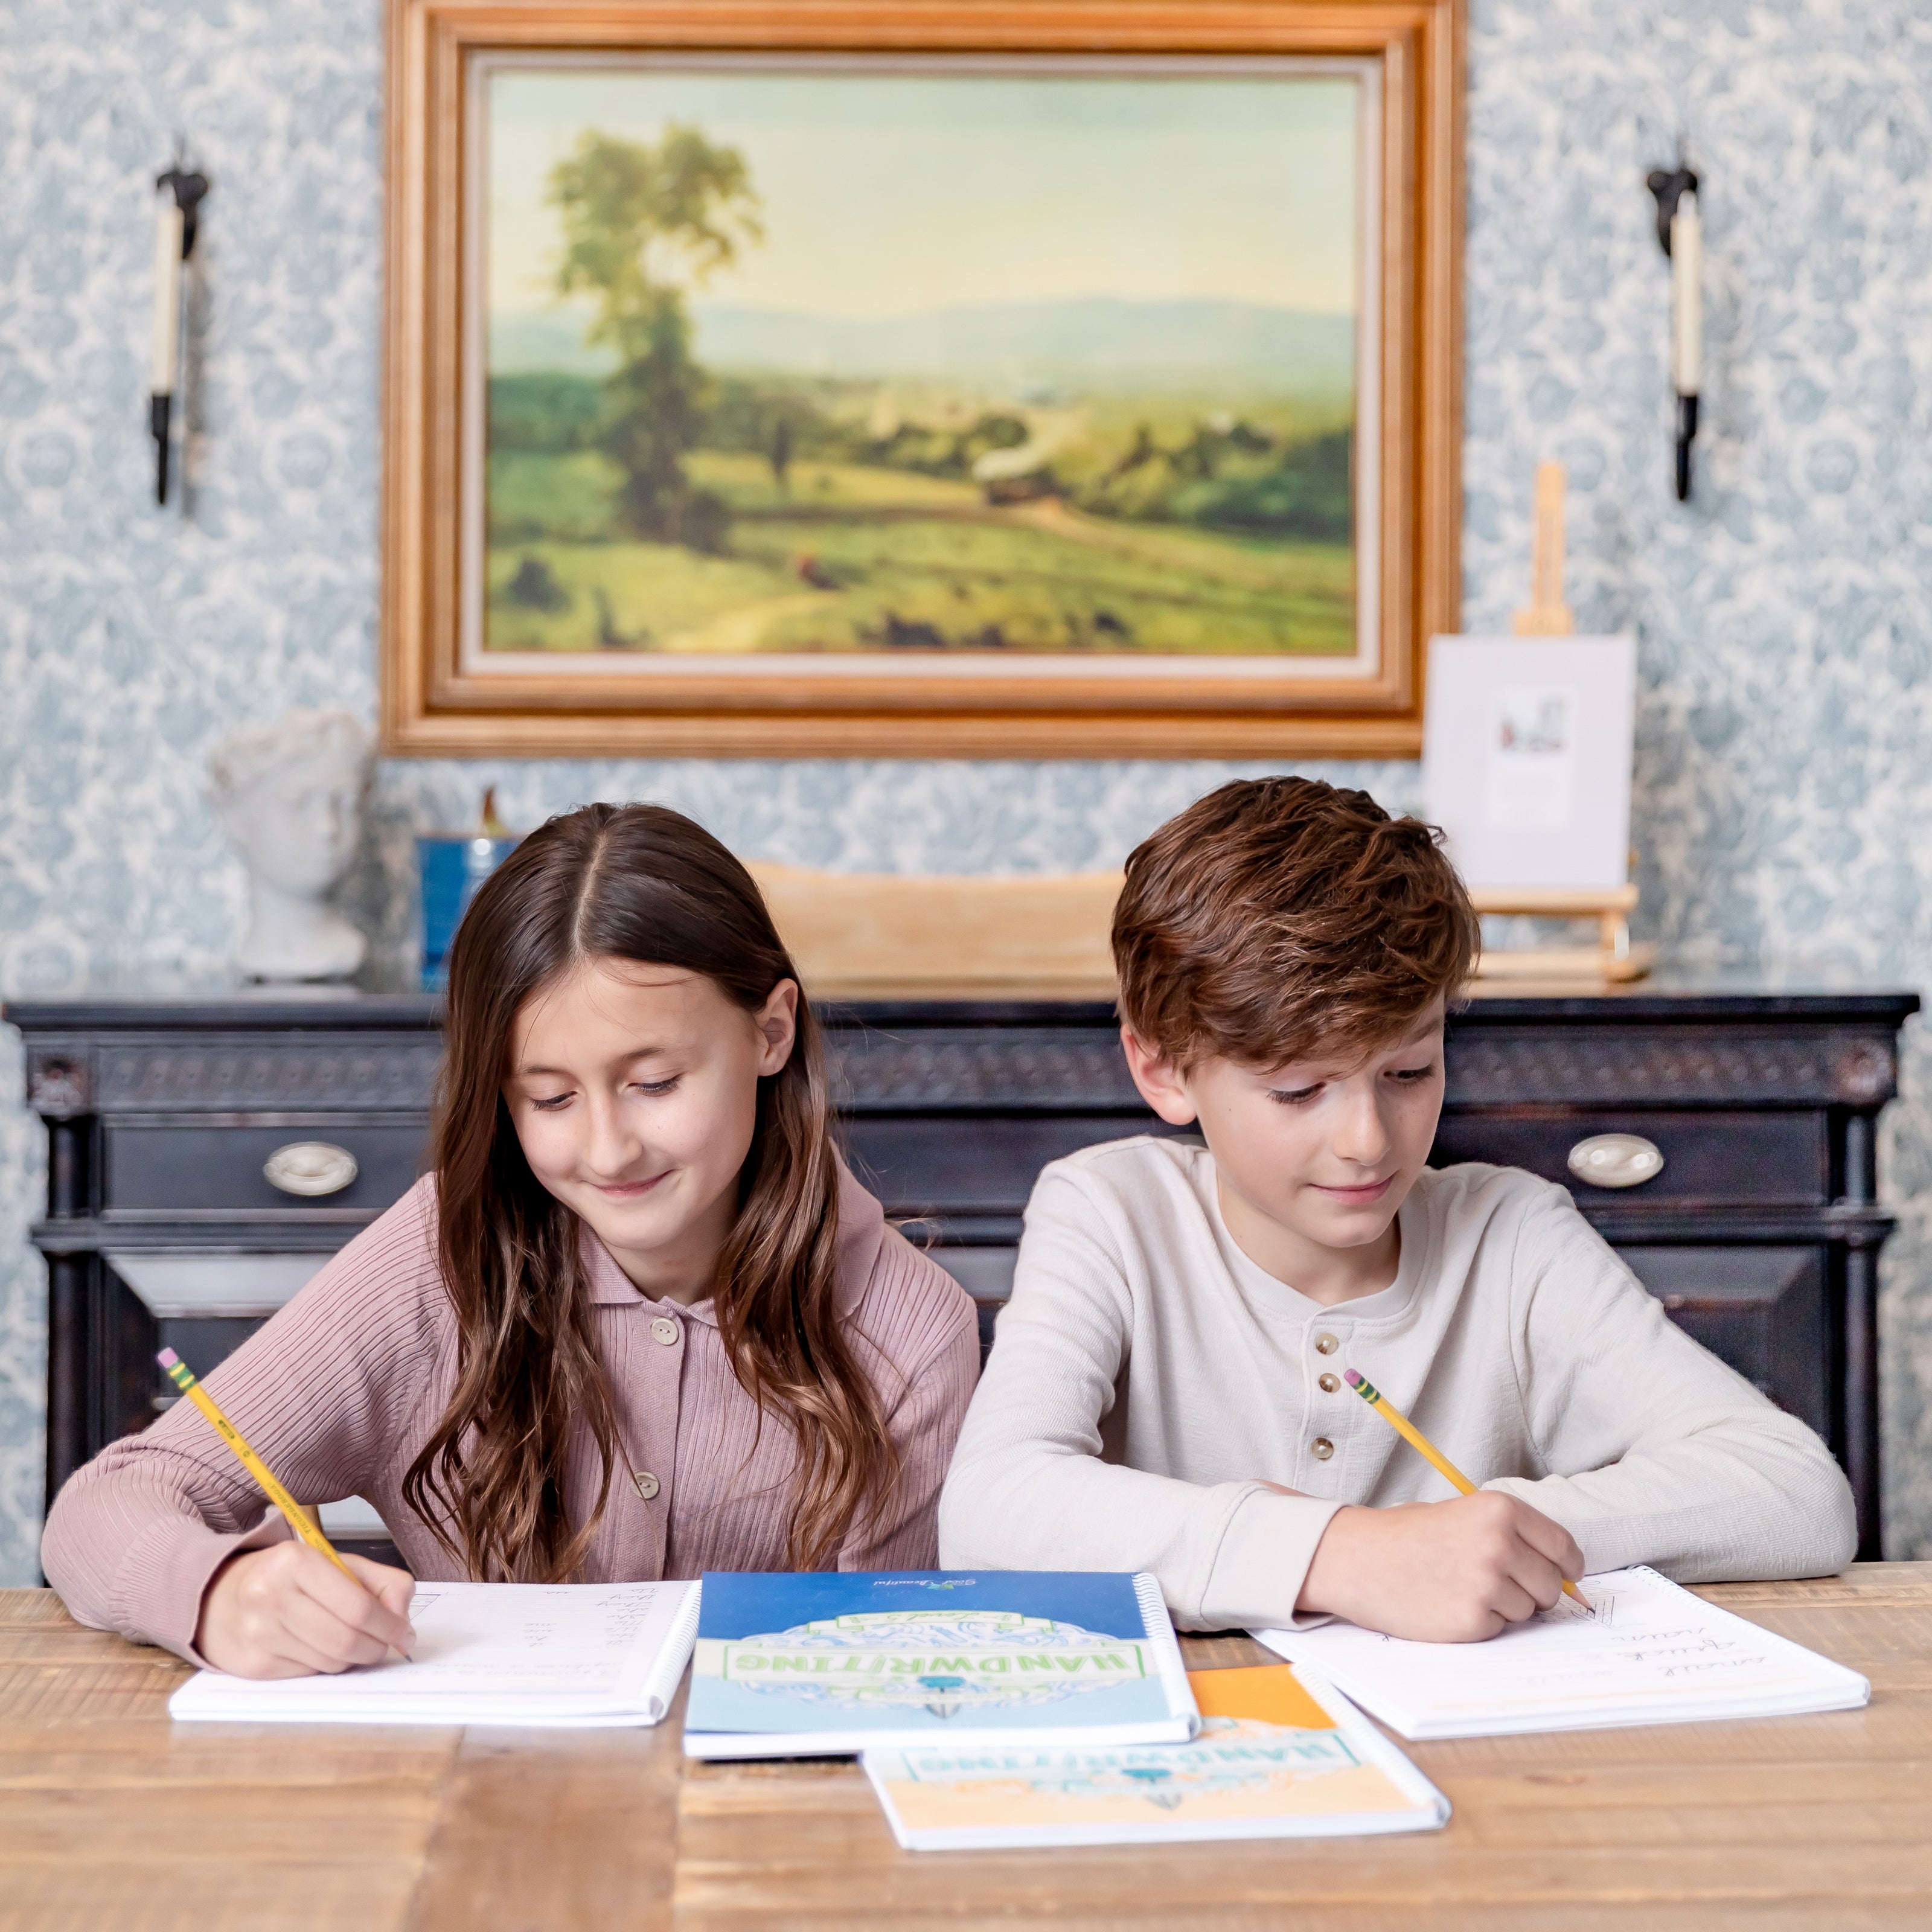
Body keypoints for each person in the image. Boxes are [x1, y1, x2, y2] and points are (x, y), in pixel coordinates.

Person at [44, 804, 978, 1677]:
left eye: (654, 1083)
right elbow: (104, 1505)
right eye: (551, 1098)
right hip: (473, 1811)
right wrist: (220, 1595)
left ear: (771, 1034)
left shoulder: (906, 1327)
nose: (608, 1148)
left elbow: (885, 1683)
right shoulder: (438, 1260)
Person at [938, 778, 1857, 1642]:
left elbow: (1796, 1492)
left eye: (1409, 1073)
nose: (1369, 1141)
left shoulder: (1512, 1233)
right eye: (1300, 1091)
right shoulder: (1110, 1211)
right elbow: (989, 1511)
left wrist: (1488, 1534)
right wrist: (1350, 1554)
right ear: (1164, 1070)